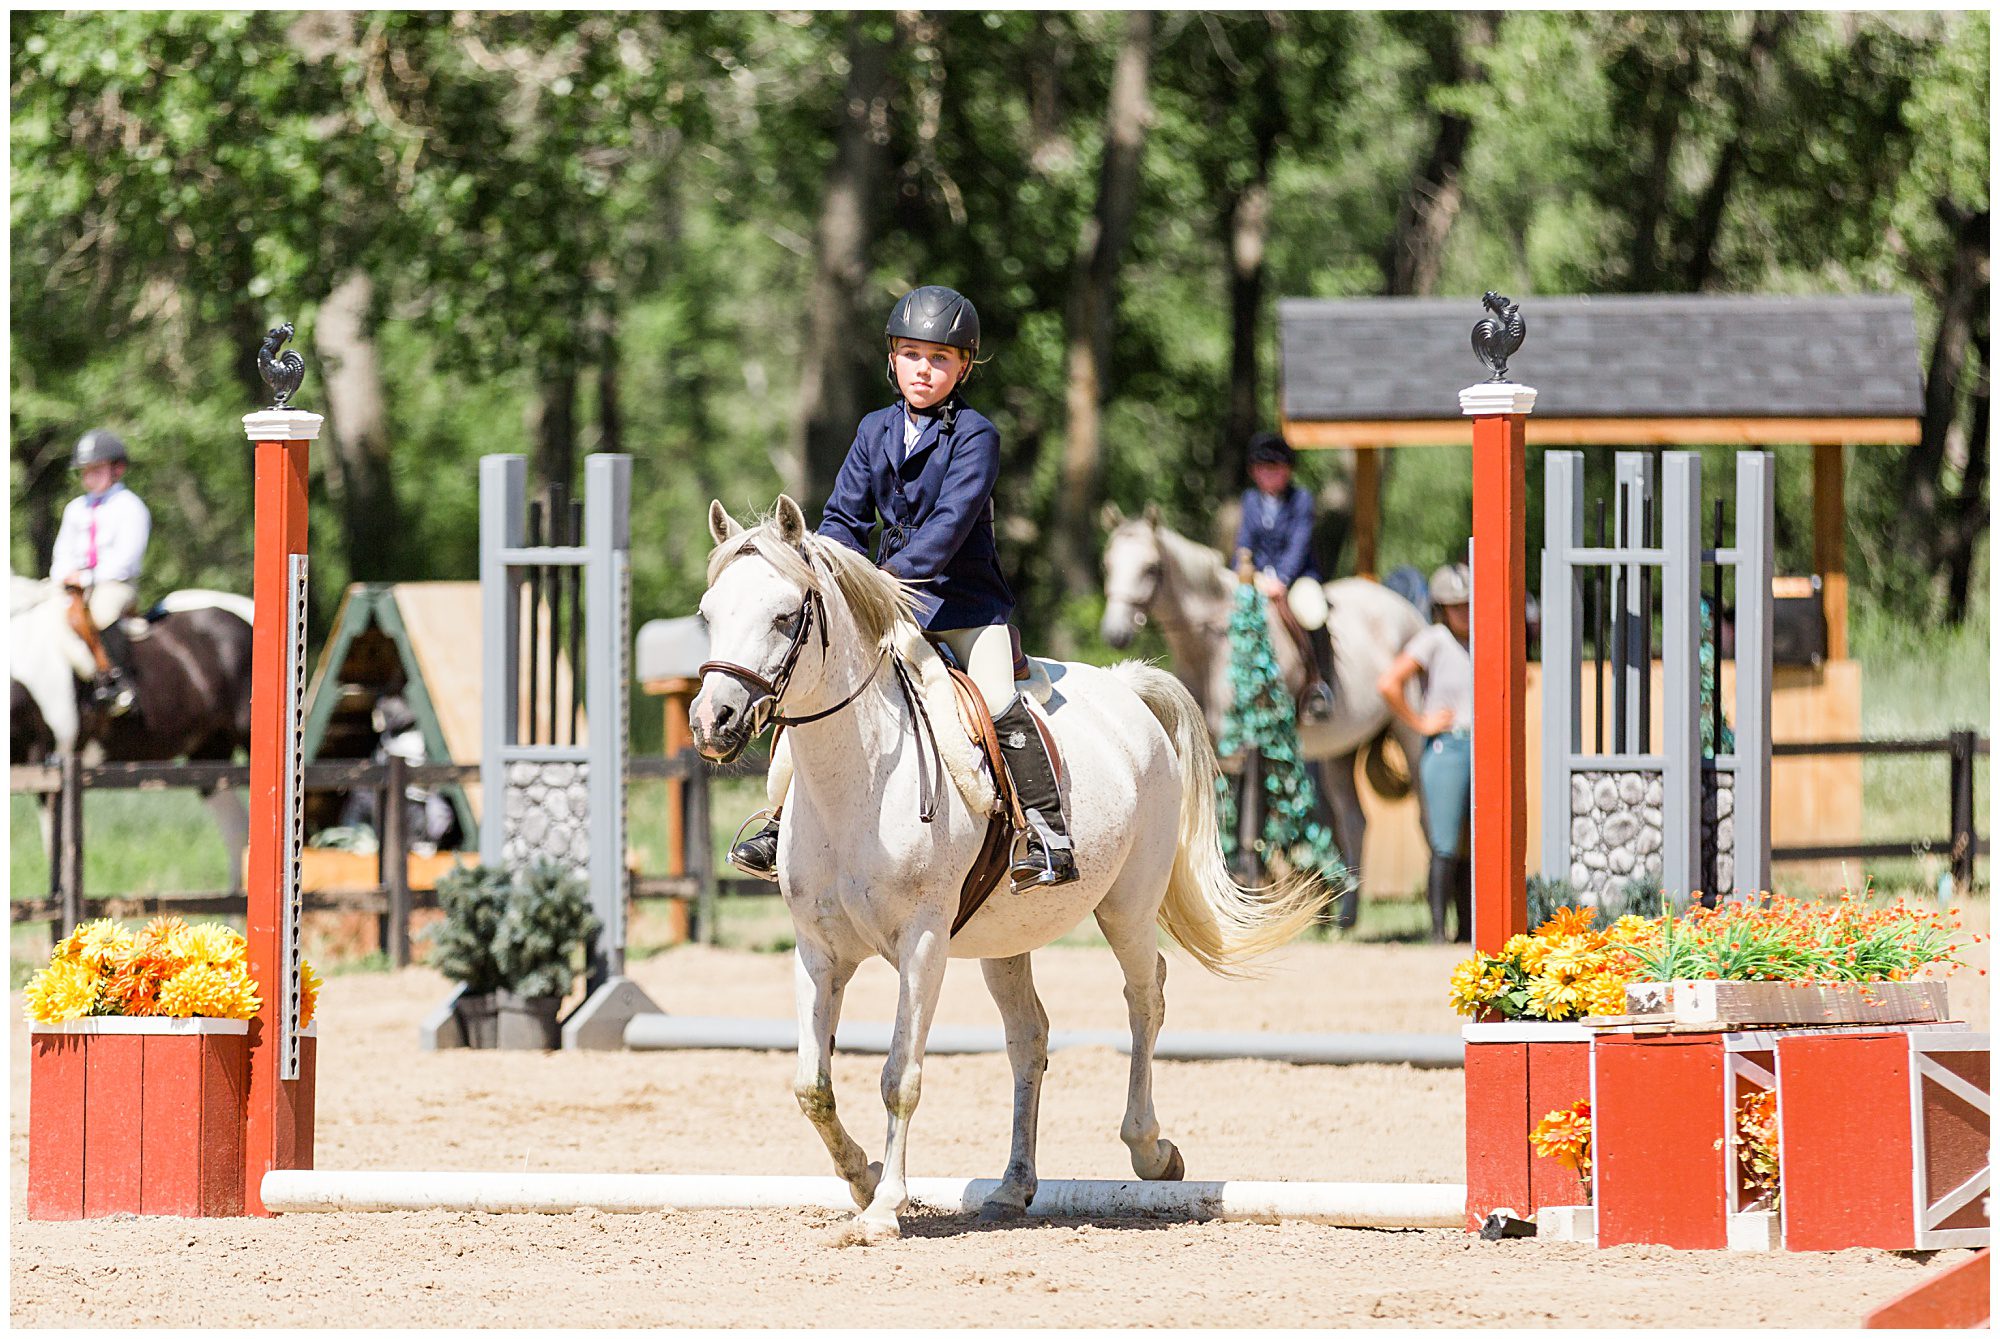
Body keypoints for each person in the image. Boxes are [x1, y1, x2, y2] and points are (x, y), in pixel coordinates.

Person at [728, 284, 1077, 889]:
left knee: (997, 699)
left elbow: (948, 528)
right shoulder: (873, 430)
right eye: (913, 355)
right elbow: (842, 518)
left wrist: (882, 582)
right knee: (809, 691)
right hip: (888, 608)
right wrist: (829, 569)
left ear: (963, 366)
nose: (925, 369)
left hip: (964, 606)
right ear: (893, 358)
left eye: (940, 358)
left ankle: (1048, 835)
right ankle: (780, 819)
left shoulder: (976, 436)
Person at [1376, 561, 1473, 943]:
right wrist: (1418, 722)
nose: (1464, 612)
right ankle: (1437, 930)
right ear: (1441, 608)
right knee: (1445, 841)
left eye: (1468, 604)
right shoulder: (1433, 639)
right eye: (1456, 605)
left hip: (1478, 745)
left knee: (1472, 844)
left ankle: (1467, 929)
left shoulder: (1483, 636)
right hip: (1447, 745)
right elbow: (1389, 682)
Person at [48, 428, 150, 716]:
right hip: (75, 582)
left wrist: (88, 578)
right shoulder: (75, 509)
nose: (89, 476)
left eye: (96, 469)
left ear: (116, 469)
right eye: (85, 471)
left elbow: (127, 559)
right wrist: (64, 575)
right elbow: (62, 550)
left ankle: (119, 681)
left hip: (114, 582)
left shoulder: (130, 507)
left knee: (102, 612)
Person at [1233, 431, 1333, 718]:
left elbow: (1299, 543)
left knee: (1314, 611)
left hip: (1297, 576)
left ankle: (1319, 682)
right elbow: (1244, 542)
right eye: (1262, 469)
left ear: (1286, 470)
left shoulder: (1301, 499)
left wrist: (1283, 579)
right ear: (1254, 472)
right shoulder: (1250, 500)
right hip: (1258, 577)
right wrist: (1242, 572)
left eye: (1274, 469)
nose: (1268, 475)